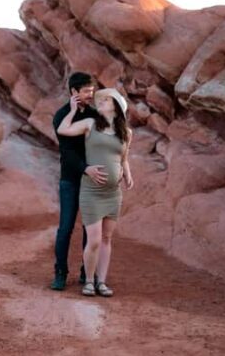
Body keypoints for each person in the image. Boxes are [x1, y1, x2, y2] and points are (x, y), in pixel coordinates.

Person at [57, 87, 134, 297]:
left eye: (106, 100)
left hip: (113, 193)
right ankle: (89, 281)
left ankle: (101, 282)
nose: (100, 101)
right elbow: (63, 129)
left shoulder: (126, 133)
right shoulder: (90, 124)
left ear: (116, 107)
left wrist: (128, 174)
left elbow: (124, 158)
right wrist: (73, 110)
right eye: (101, 100)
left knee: (107, 238)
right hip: (91, 191)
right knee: (94, 240)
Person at [50, 72, 108, 291]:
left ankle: (87, 272)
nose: (90, 95)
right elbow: (67, 152)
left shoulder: (94, 114)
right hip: (70, 180)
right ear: (74, 92)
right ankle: (60, 273)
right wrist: (85, 168)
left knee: (89, 228)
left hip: (92, 181)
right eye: (86, 91)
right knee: (65, 228)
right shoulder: (61, 116)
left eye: (92, 91)